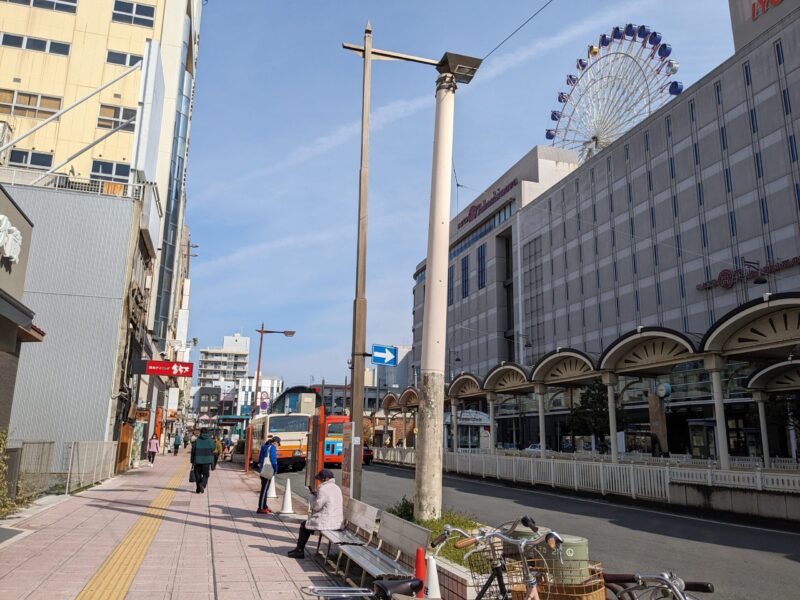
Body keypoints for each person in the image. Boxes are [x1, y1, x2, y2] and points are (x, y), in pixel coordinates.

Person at [288, 469, 343, 558]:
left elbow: (316, 507)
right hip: (337, 520)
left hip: (328, 521)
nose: (320, 481)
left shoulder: (323, 488)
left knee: (304, 525)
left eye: (321, 479)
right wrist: (317, 496)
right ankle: (298, 550)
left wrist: (311, 497)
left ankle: (299, 550)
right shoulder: (337, 488)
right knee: (307, 525)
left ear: (326, 478)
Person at [256, 436, 280, 514]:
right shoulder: (272, 448)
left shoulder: (265, 447)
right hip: (268, 470)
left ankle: (264, 506)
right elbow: (273, 459)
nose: (277, 446)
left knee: (264, 489)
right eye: (278, 444)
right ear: (275, 442)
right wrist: (275, 469)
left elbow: (260, 459)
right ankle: (261, 507)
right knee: (264, 490)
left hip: (262, 470)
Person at [191, 427, 215, 493]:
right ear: (207, 432)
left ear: (200, 432)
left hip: (198, 460)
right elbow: (213, 448)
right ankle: (202, 484)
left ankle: (198, 488)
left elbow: (193, 451)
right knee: (206, 474)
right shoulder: (210, 441)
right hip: (207, 461)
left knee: (197, 474)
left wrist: (192, 461)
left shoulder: (197, 441)